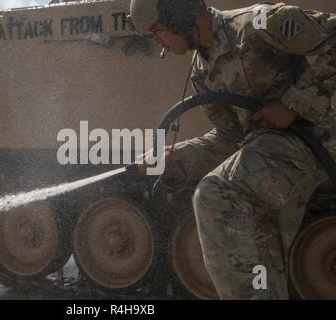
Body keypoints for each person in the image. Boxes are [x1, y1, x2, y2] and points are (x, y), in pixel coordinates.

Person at [130, 0, 336, 299]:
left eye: (157, 31)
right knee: (259, 242)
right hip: (272, 158)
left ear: (178, 15)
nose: (158, 43)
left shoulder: (256, 23)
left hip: (314, 141)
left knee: (217, 194)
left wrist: (292, 104)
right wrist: (174, 158)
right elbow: (230, 138)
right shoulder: (202, 70)